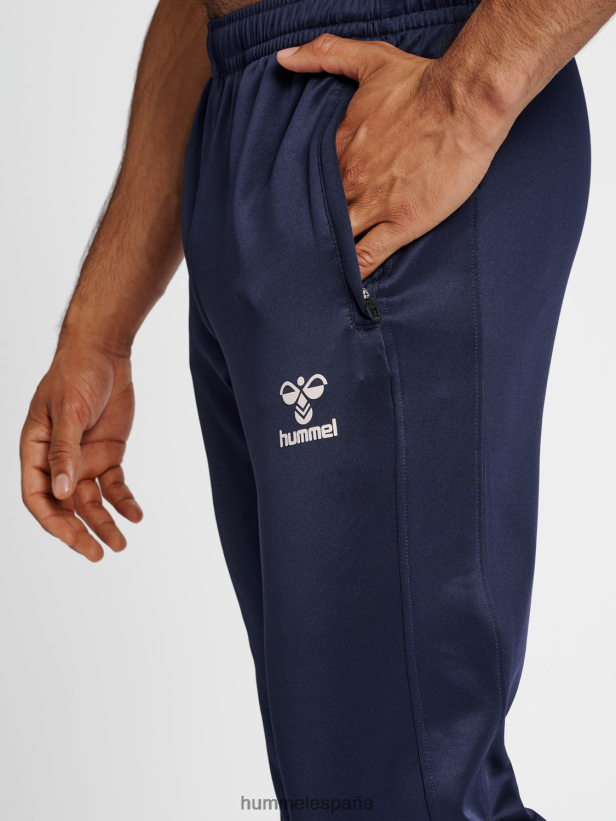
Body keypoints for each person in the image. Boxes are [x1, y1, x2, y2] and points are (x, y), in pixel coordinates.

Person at [19, 0, 615, 818]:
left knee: (395, 788)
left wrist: (467, 97)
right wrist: (100, 324)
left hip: (391, 93)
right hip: (239, 115)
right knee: (342, 778)